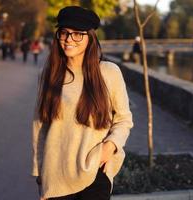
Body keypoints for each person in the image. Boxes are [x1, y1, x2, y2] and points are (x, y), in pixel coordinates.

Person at [31, 6, 133, 200]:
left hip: (95, 173)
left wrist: (110, 146)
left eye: (78, 34)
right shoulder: (50, 75)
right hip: (56, 177)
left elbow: (123, 119)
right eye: (64, 33)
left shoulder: (109, 72)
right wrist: (39, 173)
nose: (69, 39)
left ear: (90, 38)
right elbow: (39, 126)